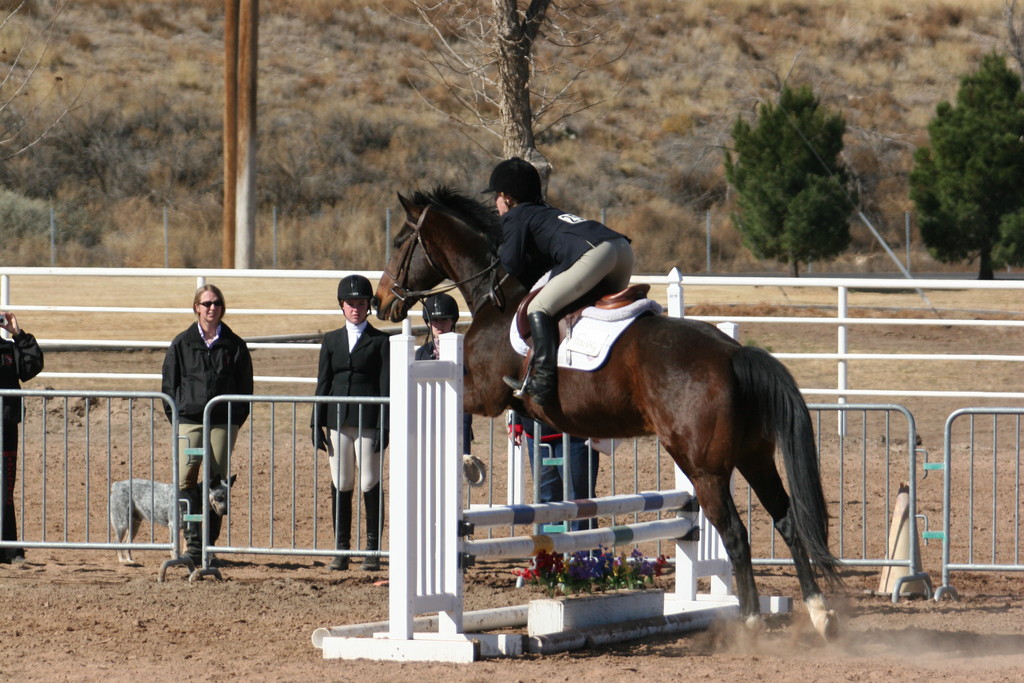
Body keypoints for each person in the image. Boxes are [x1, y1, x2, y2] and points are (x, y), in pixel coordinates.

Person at [485, 157, 634, 406]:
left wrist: (496, 246)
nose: (495, 203)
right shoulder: (546, 211)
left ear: (507, 197)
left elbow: (511, 264)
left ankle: (542, 380)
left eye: (496, 197)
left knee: (538, 307)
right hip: (621, 250)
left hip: (596, 253)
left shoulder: (516, 215)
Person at [161, 285, 253, 564]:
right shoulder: (182, 343)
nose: (212, 308)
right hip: (189, 421)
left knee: (216, 483)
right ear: (196, 308)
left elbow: (245, 388)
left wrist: (234, 420)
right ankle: (193, 544)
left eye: (217, 303)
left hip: (223, 423)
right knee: (185, 479)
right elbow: (169, 385)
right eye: (207, 303)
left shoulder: (234, 344)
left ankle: (209, 548)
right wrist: (177, 417)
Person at [312, 275, 390, 571]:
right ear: (341, 306)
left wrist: (386, 424)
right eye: (350, 303)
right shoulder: (331, 340)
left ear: (368, 306)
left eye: (361, 303)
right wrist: (315, 422)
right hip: (337, 420)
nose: (355, 309)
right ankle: (340, 549)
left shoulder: (381, 341)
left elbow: (386, 386)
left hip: (369, 420)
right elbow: (323, 383)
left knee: (369, 481)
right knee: (341, 482)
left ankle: (372, 550)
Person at [414, 293, 484, 486]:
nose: (438, 325)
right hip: (427, 426)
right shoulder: (421, 354)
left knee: (454, 480)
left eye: (444, 320)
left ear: (453, 321)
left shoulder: (467, 353)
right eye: (434, 320)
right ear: (428, 322)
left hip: (457, 421)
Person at [0, 313, 44, 564]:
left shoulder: (8, 348)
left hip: (5, 426)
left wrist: (19, 334)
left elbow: (33, 366)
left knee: (4, 489)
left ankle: (9, 548)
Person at [510, 412, 600, 531]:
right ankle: (552, 547)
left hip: (577, 432)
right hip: (537, 433)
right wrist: (516, 420)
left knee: (580, 499)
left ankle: (585, 548)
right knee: (547, 500)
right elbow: (519, 393)